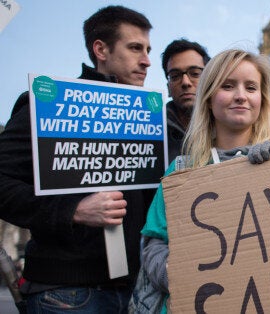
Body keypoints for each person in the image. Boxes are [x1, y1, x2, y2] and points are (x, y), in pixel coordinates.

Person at [0, 5, 154, 313]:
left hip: (136, 294)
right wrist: (73, 210)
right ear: (101, 49)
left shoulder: (147, 120)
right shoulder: (48, 105)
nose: (147, 61)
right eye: (135, 48)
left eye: (149, 49)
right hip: (66, 295)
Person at [134, 49, 270, 313]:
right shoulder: (180, 171)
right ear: (208, 99)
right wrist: (180, 277)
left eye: (251, 87)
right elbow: (153, 242)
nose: (241, 96)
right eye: (228, 86)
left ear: (262, 100)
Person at [161, 39, 211, 163]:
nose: (185, 82)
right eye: (175, 76)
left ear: (210, 80)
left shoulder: (230, 126)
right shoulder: (152, 131)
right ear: (168, 87)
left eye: (194, 73)